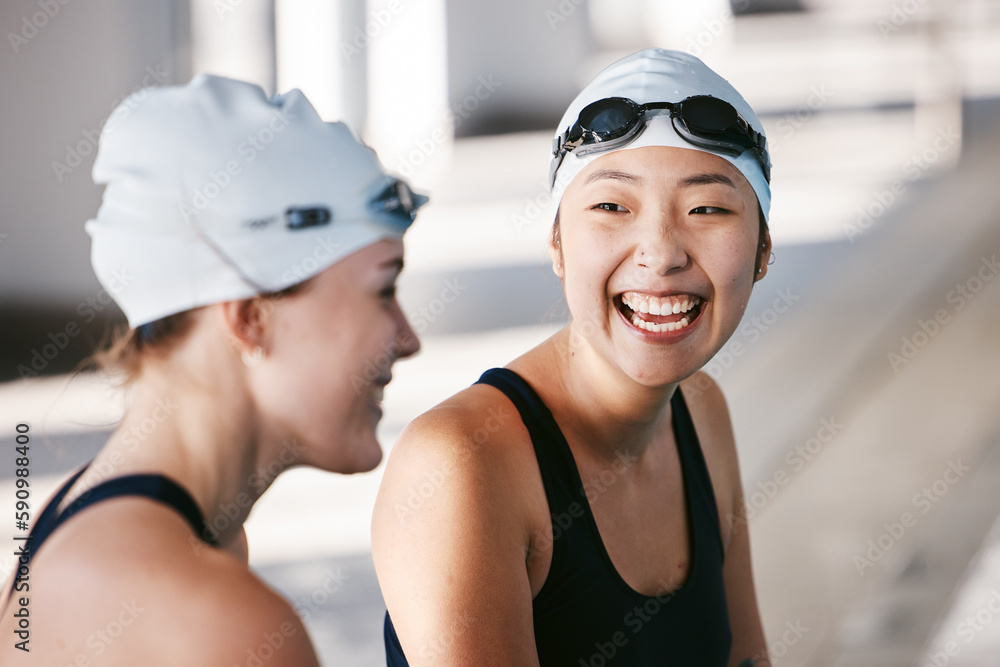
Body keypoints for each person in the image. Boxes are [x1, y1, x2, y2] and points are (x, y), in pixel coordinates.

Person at [0, 74, 424, 665]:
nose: (409, 339)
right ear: (251, 317)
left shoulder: (91, 523)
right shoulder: (216, 620)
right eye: (384, 290)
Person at [372, 48, 773, 666]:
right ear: (557, 244)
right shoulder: (461, 465)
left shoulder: (700, 408)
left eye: (707, 209)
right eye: (612, 207)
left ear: (763, 251)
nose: (660, 253)